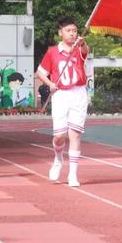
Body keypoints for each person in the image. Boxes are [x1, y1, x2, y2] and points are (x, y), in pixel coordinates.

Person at [36, 16, 90, 187]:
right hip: (60, 95)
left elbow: (85, 51)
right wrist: (50, 83)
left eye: (74, 30)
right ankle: (58, 158)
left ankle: (73, 174)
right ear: (60, 33)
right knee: (59, 136)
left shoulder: (79, 49)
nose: (72, 34)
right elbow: (41, 73)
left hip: (78, 94)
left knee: (74, 134)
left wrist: (82, 44)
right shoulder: (52, 52)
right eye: (68, 31)